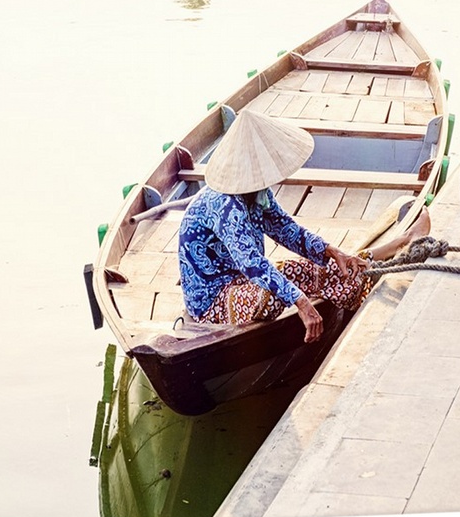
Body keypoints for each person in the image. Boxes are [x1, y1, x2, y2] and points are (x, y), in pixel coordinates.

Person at [178, 109, 430, 343]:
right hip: (214, 301)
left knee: (315, 271)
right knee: (275, 294)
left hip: (243, 280)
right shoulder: (225, 204)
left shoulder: (255, 192)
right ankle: (388, 251)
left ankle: (395, 245)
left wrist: (333, 252)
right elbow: (252, 264)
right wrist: (302, 303)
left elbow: (287, 229)